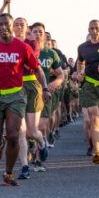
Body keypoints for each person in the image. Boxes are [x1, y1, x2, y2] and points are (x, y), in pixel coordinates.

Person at [0, 13, 49, 186]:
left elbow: (37, 69)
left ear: (12, 27)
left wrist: (44, 88)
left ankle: (8, 174)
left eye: (6, 25)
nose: (2, 28)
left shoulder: (22, 47)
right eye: (0, 25)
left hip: (16, 95)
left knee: (14, 134)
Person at [0, 0, 42, 179]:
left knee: (32, 131)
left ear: (27, 29)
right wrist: (4, 5)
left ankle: (41, 144)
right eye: (16, 23)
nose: (18, 26)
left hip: (30, 85)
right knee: (19, 130)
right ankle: (24, 166)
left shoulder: (30, 44)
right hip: (12, 90)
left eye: (22, 24)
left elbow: (32, 66)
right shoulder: (1, 38)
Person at [76, 20, 99, 165]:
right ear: (88, 30)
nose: (94, 30)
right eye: (91, 28)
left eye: (97, 28)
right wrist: (79, 73)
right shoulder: (83, 47)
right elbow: (80, 62)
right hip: (90, 85)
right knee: (94, 118)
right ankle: (97, 152)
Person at [33, 23, 64, 172]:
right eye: (35, 32)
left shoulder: (51, 54)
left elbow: (61, 74)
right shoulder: (26, 50)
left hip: (44, 93)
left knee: (42, 126)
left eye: (40, 32)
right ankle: (34, 147)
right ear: (30, 34)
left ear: (44, 35)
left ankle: (38, 160)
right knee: (28, 129)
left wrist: (55, 83)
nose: (38, 34)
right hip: (27, 92)